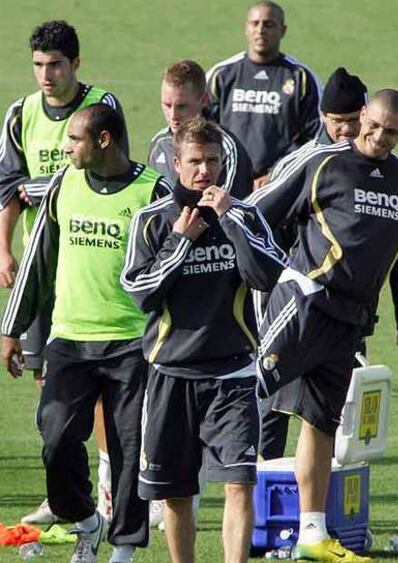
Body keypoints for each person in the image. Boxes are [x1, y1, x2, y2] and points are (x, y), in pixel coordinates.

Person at [1, 103, 172, 563]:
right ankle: (85, 520)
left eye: (74, 139)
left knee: (129, 448)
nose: (66, 146)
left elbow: (174, 270)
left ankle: (124, 548)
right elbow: (38, 260)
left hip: (132, 343)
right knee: (55, 436)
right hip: (70, 338)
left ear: (103, 141)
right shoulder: (64, 185)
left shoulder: (153, 191)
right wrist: (11, 328)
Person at [248, 89, 398, 562]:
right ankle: (174, 493)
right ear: (363, 116)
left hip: (351, 321)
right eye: (375, 125)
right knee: (245, 396)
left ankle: (312, 534)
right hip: (302, 307)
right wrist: (269, 276)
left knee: (320, 423)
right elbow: (258, 213)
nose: (380, 137)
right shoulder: (322, 163)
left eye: (392, 131)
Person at [121, 116, 287, 563]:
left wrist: (230, 219)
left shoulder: (243, 213)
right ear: (176, 163)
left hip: (232, 373)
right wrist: (180, 243)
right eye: (194, 161)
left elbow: (268, 274)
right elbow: (141, 293)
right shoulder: (153, 221)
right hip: (170, 374)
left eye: (212, 161)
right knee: (175, 494)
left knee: (239, 482)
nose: (204, 171)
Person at [0, 19, 128, 525]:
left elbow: (112, 171)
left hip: (89, 261)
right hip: (40, 262)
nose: (46, 75)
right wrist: (5, 251)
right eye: (38, 65)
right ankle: (65, 493)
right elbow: (8, 188)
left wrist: (46, 183)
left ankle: (109, 486)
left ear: (76, 63)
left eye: (55, 64)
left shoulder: (103, 106)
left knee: (93, 376)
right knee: (46, 377)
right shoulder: (21, 114)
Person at [260, 67, 368, 461]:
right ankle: (265, 484)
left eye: (353, 122)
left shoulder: (375, 166)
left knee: (340, 404)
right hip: (292, 302)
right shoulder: (303, 162)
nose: (345, 130)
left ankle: (332, 501)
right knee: (271, 397)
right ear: (323, 117)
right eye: (338, 122)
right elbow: (261, 221)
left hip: (348, 308)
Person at [206, 1, 321, 188]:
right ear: (246, 28)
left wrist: (277, 171)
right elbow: (204, 127)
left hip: (278, 183)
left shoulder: (301, 77)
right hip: (226, 179)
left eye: (268, 24)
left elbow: (314, 135)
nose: (261, 30)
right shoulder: (221, 75)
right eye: (255, 23)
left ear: (282, 30)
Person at [149, 59, 253, 198]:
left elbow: (235, 211)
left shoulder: (226, 148)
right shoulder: (159, 144)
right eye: (167, 105)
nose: (173, 116)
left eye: (182, 106)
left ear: (203, 100)